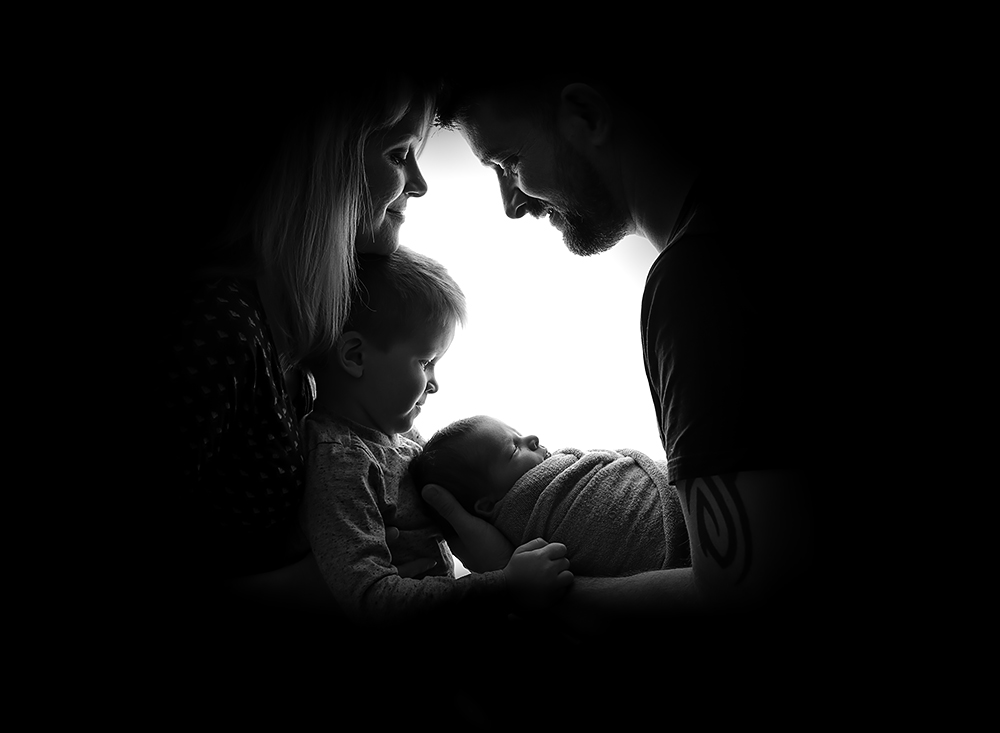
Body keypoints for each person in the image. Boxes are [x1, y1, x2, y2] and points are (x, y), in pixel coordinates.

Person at [423, 58, 822, 630]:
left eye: (510, 163)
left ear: (585, 114)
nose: (511, 203)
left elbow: (740, 593)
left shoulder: (696, 281)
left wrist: (518, 584)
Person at [156, 68, 451, 622]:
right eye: (397, 154)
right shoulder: (219, 327)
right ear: (327, 164)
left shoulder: (306, 328)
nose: (418, 183)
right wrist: (318, 587)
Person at [302, 248, 573, 627]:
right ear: (356, 356)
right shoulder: (342, 460)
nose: (435, 384)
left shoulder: (402, 435)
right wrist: (506, 585)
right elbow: (370, 599)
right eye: (426, 362)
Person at [409, 415, 691, 577]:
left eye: (518, 435)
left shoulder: (569, 471)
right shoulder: (529, 515)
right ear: (487, 505)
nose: (531, 439)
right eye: (514, 449)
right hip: (682, 531)